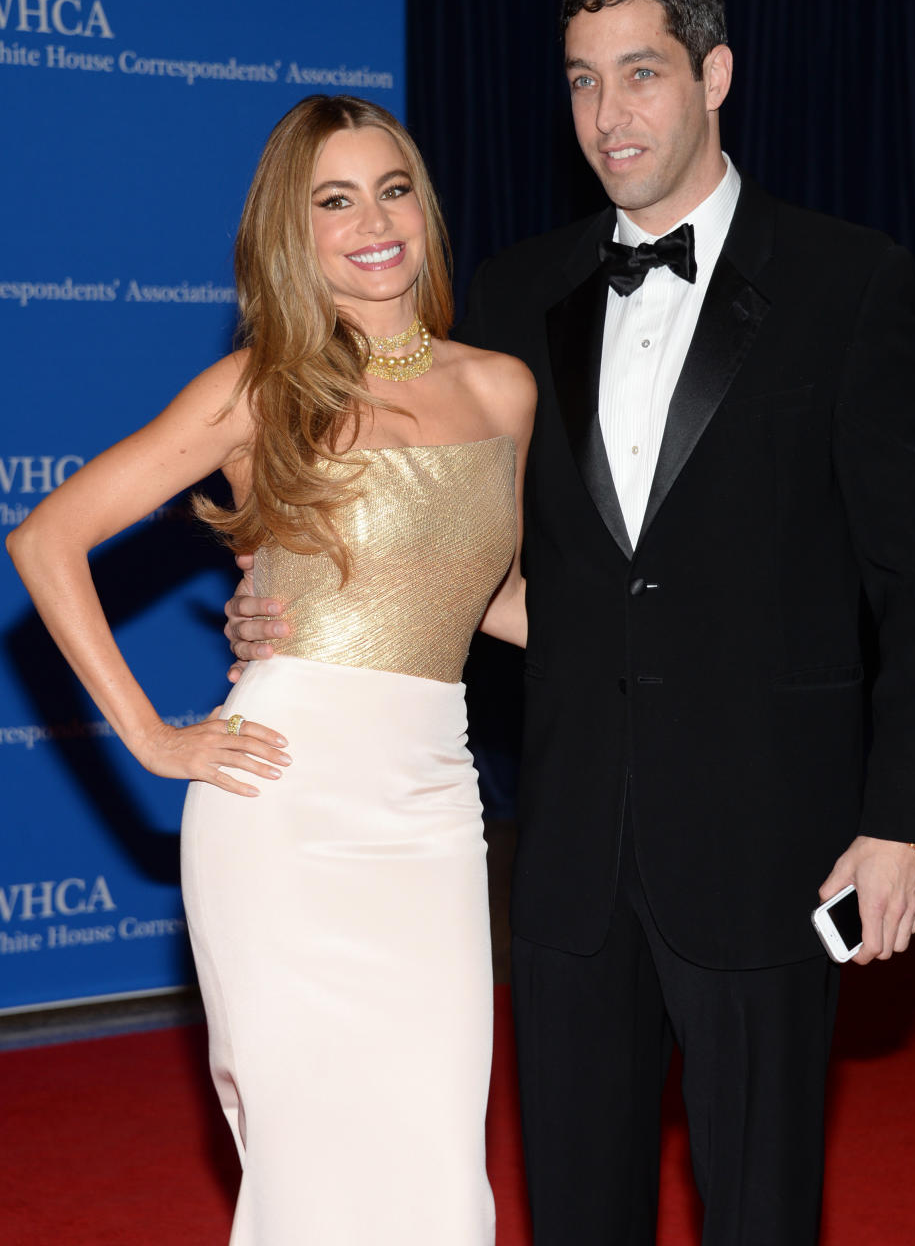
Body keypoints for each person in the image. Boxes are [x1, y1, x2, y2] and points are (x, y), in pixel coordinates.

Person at [227, 0, 915, 1246]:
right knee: (572, 1211)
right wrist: (290, 587)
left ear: (714, 75)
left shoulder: (851, 284)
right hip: (564, 859)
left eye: (640, 75)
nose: (609, 116)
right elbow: (374, 459)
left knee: (760, 1213)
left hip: (766, 848)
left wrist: (904, 821)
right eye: (581, 83)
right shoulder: (511, 295)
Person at [7, 94, 535, 1245]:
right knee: (307, 1160)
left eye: (393, 189)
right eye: (332, 201)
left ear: (426, 210)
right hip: (280, 810)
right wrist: (154, 737)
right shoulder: (259, 391)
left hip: (434, 816)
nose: (372, 222)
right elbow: (45, 541)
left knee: (442, 1162)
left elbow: (489, 597)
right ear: (291, 235)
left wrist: (692, 644)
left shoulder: (502, 389)